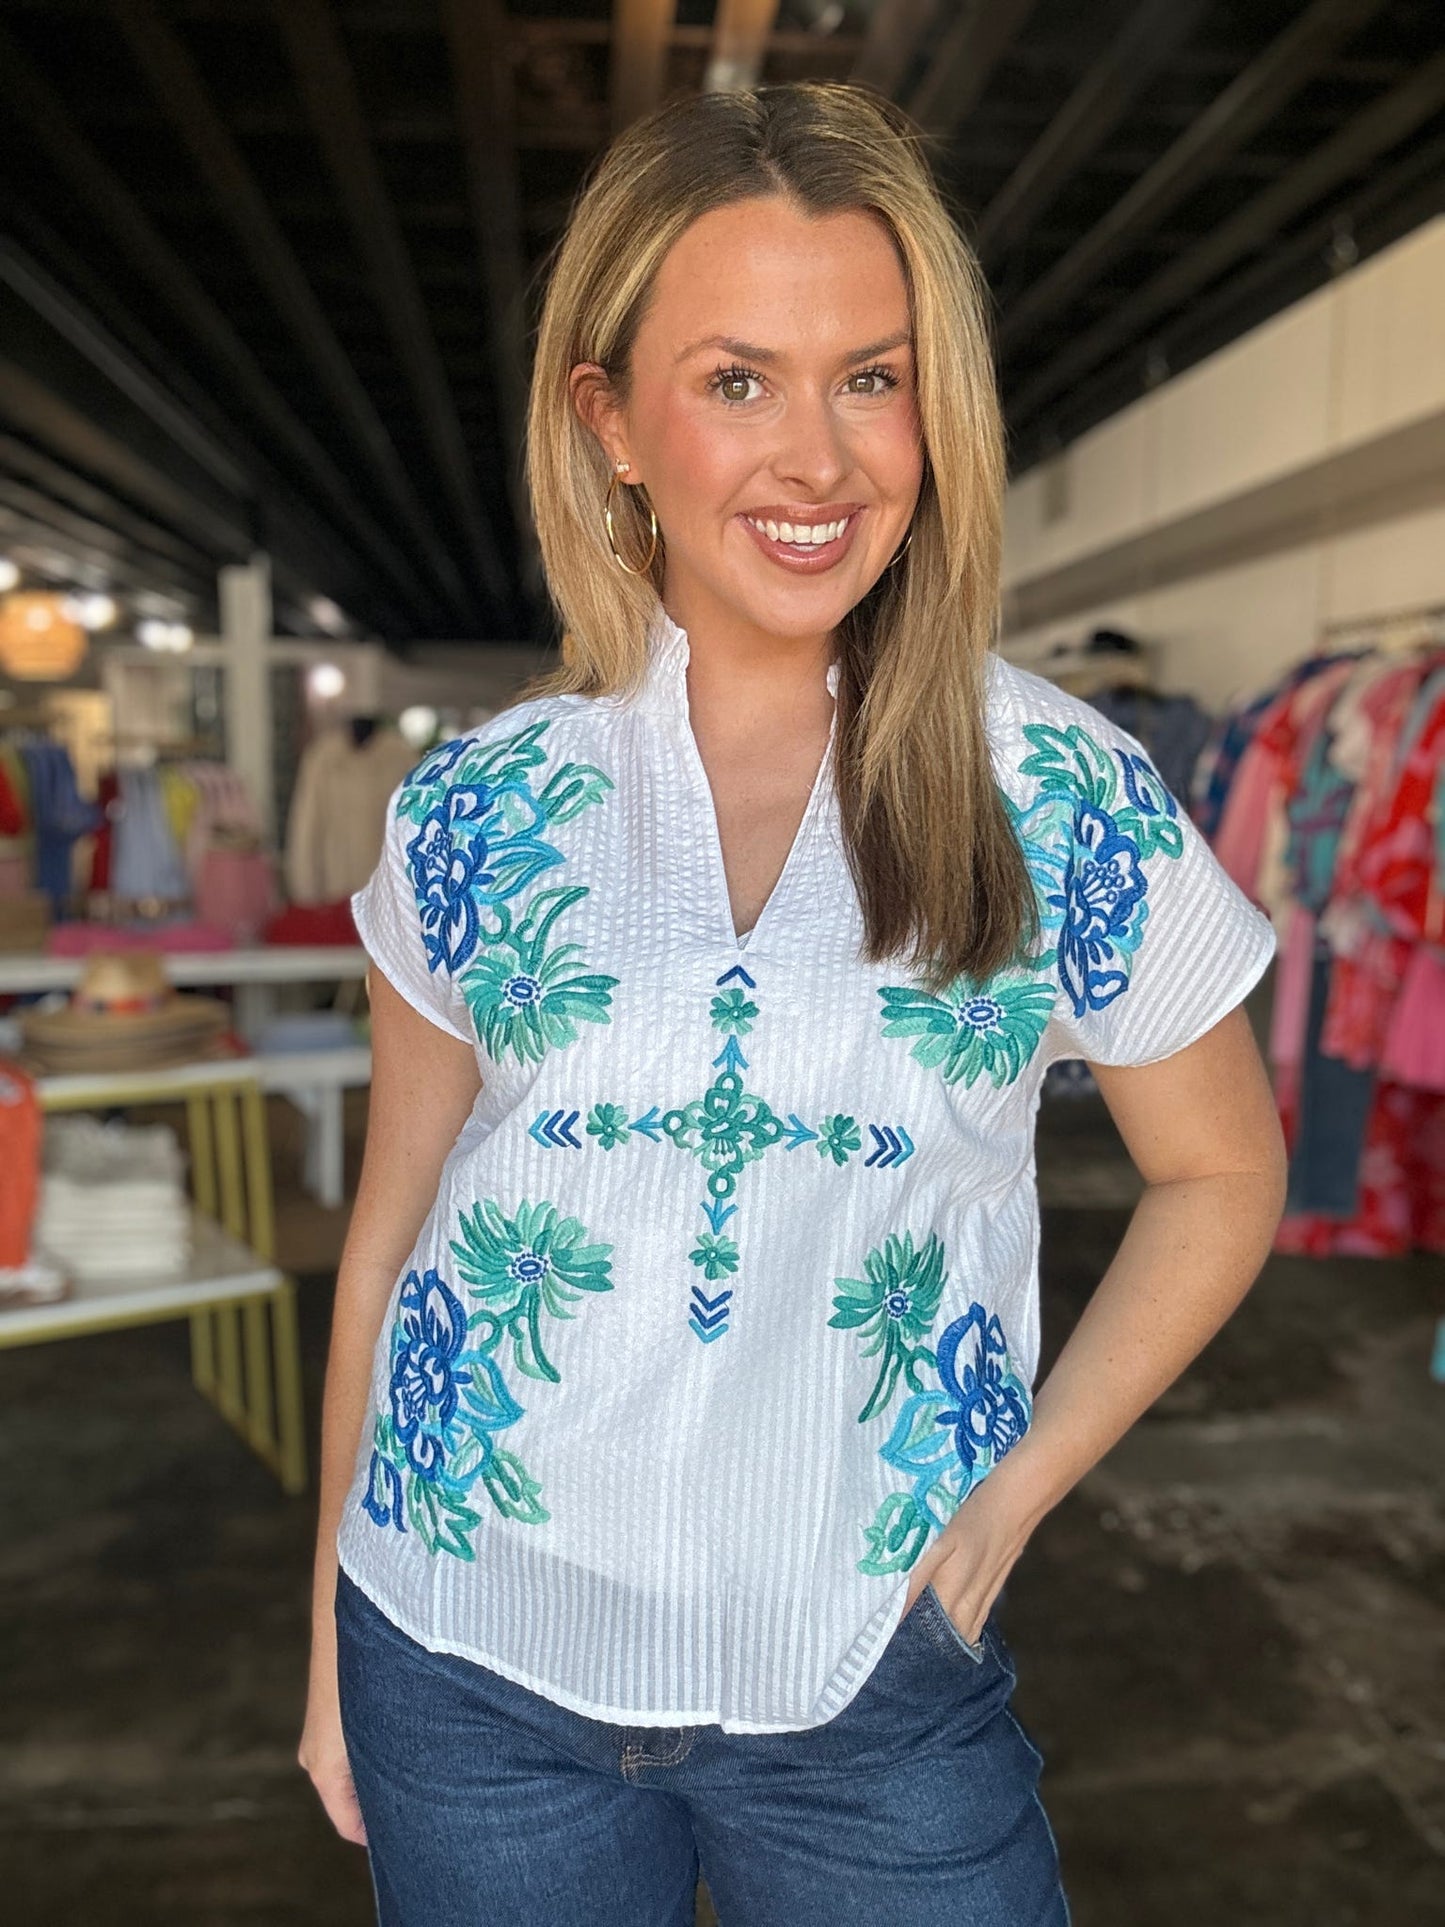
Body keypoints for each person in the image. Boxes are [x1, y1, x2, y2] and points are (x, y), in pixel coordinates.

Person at [299, 81, 1287, 1926]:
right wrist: (325, 1650)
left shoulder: (1054, 789)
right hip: (461, 1653)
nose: (816, 460)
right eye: (736, 379)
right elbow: (389, 1241)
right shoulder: (475, 804)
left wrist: (1009, 1502)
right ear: (611, 422)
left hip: (866, 1680)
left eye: (870, 377)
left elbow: (1222, 1173)